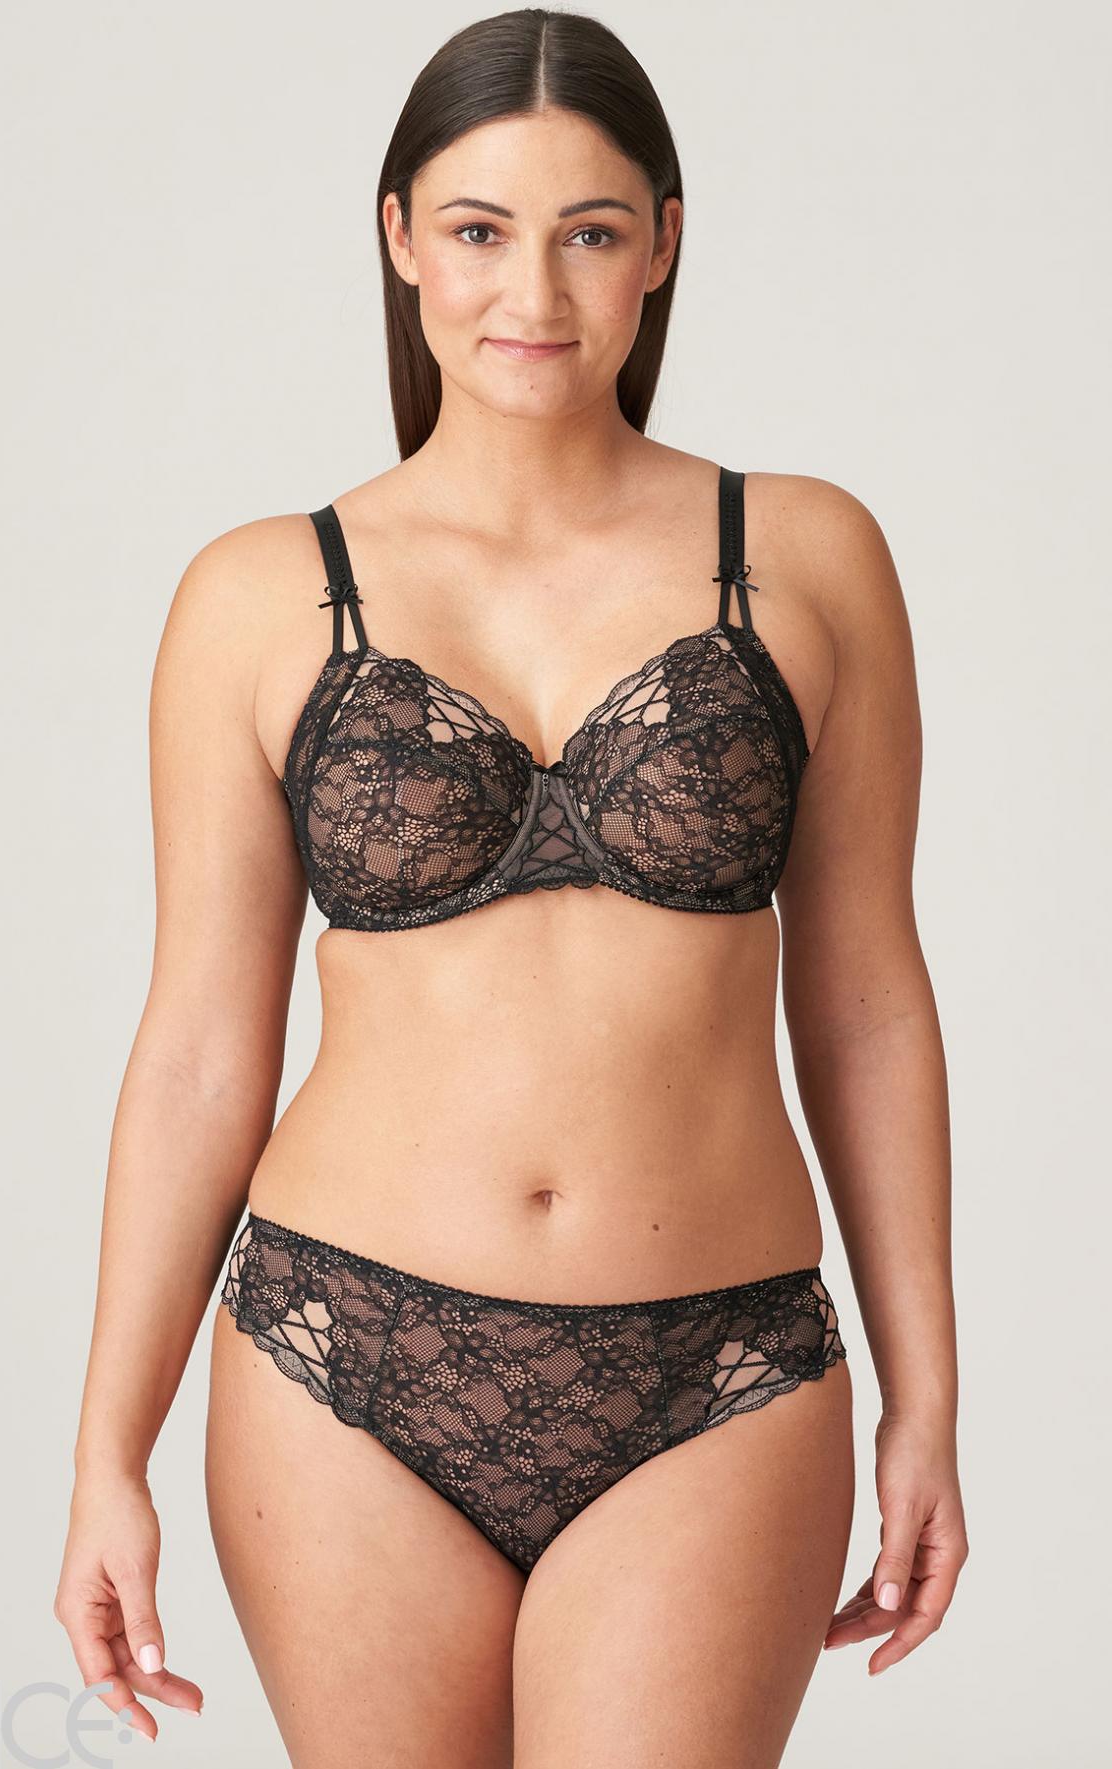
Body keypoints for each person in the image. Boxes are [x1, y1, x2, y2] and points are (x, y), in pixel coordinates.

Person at [53, 9, 967, 1766]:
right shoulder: (258, 595)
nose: (531, 290)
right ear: (401, 237)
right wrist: (109, 1449)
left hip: (719, 1375)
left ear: (663, 244)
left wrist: (926, 1398)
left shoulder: (807, 556)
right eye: (479, 229)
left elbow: (866, 1004)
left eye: (589, 230)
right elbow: (197, 1053)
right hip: (341, 1359)